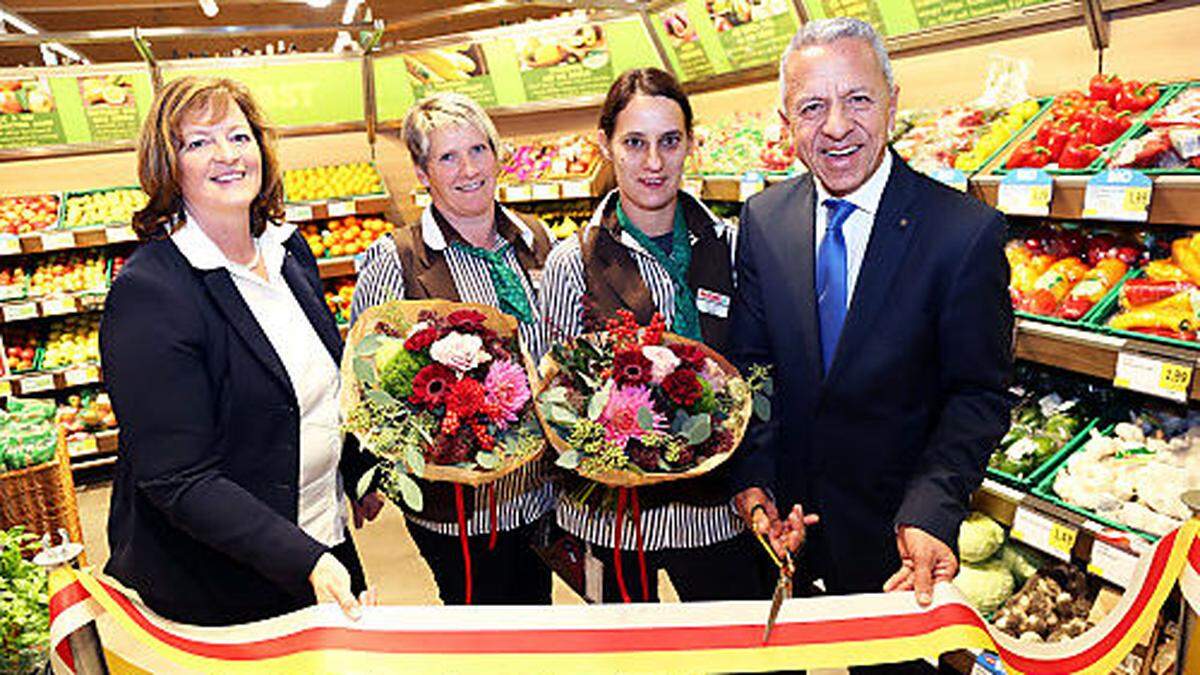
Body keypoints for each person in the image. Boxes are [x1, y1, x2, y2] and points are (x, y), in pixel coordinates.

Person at [728, 17, 1012, 622]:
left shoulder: (962, 234)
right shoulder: (764, 221)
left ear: (892, 102)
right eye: (811, 107)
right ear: (786, 123)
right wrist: (757, 484)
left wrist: (932, 509)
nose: (835, 127)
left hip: (898, 548)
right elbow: (753, 369)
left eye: (857, 99)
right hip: (782, 537)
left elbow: (976, 394)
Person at [100, 76, 381, 626]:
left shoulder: (288, 251)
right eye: (198, 142)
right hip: (221, 582)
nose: (227, 155)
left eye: (238, 136)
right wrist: (305, 559)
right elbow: (177, 478)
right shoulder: (152, 293)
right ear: (168, 165)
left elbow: (315, 385)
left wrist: (354, 467)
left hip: (324, 542)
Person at [541, 67, 768, 603]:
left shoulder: (733, 247)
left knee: (738, 657)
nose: (653, 163)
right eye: (634, 143)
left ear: (691, 142)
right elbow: (555, 396)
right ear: (606, 145)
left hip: (717, 514)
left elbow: (759, 369)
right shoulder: (572, 262)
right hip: (615, 522)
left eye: (670, 141)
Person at [350, 92, 555, 605]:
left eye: (478, 150)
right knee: (481, 631)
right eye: (447, 157)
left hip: (539, 492)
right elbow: (364, 382)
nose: (469, 169)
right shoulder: (396, 258)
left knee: (538, 625)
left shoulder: (535, 239)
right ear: (422, 172)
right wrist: (367, 473)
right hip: (457, 507)